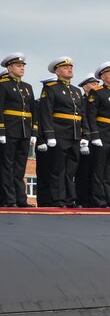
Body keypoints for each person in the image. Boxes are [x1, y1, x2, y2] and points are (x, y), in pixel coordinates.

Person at [36, 57, 84, 208]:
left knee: (70, 169)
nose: (69, 69)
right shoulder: (51, 88)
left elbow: (81, 115)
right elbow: (46, 113)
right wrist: (49, 134)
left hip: (74, 134)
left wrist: (83, 135)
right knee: (57, 169)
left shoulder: (76, 91)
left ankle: (70, 199)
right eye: (65, 67)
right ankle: (58, 199)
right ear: (57, 71)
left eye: (71, 67)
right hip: (59, 133)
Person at [83, 62, 110, 208]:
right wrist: (94, 135)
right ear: (103, 77)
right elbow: (91, 115)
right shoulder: (97, 92)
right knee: (98, 170)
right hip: (102, 135)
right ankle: (98, 199)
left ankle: (109, 198)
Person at [0, 53, 35, 207]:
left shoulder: (27, 87)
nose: (21, 68)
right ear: (9, 67)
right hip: (9, 131)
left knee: (20, 167)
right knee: (7, 166)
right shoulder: (3, 85)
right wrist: (1, 130)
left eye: (22, 66)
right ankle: (9, 199)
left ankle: (21, 199)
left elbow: (33, 111)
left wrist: (33, 132)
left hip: (24, 131)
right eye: (18, 66)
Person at [74, 74, 102, 207]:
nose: (96, 86)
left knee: (94, 170)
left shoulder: (98, 99)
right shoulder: (82, 100)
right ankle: (82, 199)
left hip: (97, 138)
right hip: (84, 138)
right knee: (83, 171)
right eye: (93, 83)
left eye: (97, 83)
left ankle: (93, 198)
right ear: (85, 86)